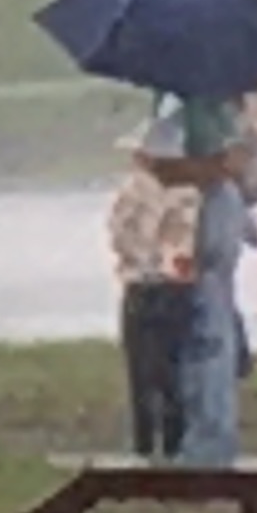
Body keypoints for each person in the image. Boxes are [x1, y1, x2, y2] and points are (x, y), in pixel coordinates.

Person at [169, 93, 257, 469]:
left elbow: (233, 166)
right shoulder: (192, 105)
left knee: (213, 339)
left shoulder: (207, 105)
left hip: (216, 222)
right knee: (209, 336)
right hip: (211, 226)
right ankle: (207, 443)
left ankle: (212, 444)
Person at [106, 118, 204, 458]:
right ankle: (172, 446)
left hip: (144, 288)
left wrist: (144, 259)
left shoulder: (134, 191)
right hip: (174, 288)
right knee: (171, 374)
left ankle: (146, 447)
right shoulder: (190, 194)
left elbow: (119, 237)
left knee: (144, 375)